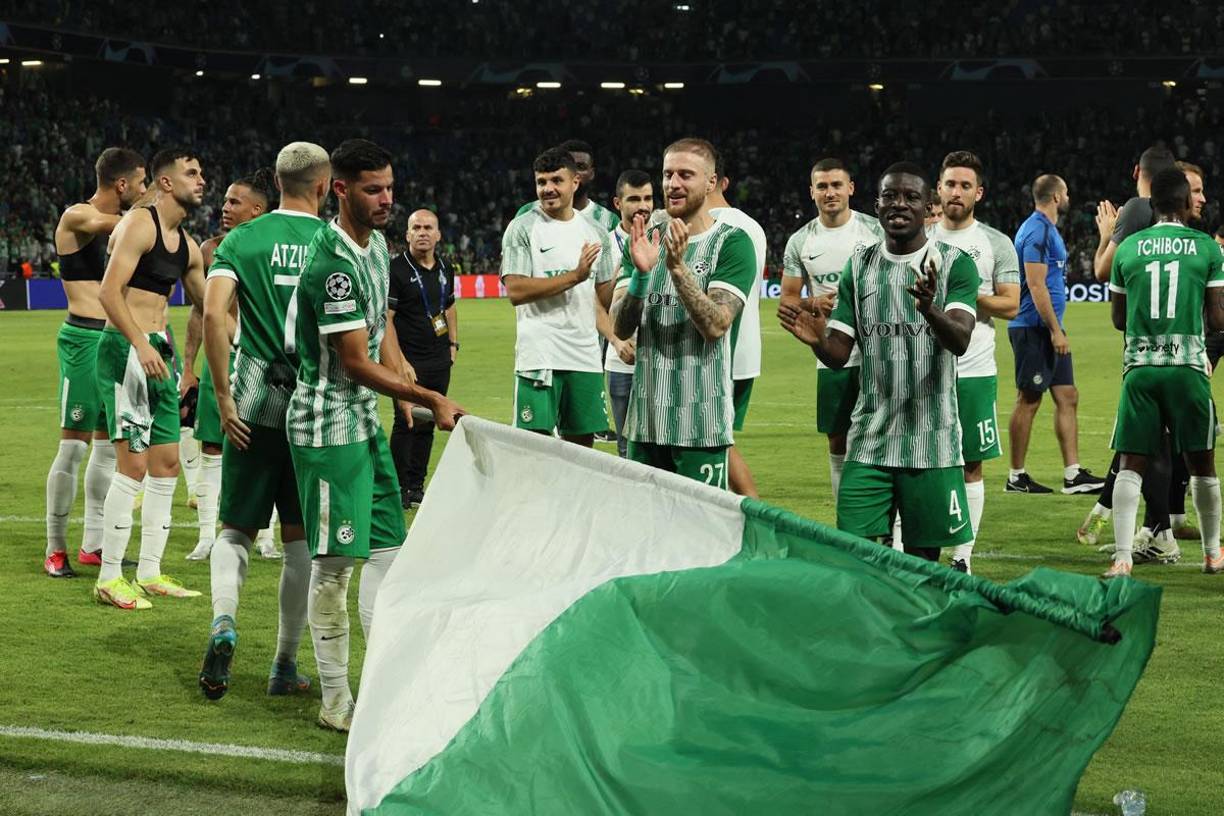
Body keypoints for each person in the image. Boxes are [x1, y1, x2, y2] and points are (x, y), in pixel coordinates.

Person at [287, 139, 465, 731]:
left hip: (363, 420)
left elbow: (378, 330)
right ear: (339, 189)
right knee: (336, 567)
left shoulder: (378, 248)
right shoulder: (330, 263)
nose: (386, 198)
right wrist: (425, 396)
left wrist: (404, 368)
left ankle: (385, 679)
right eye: (372, 189)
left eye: (389, 186)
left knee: (390, 553)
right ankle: (336, 699)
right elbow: (353, 363)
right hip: (328, 428)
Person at [779, 162, 978, 560]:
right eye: (890, 196)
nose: (899, 204)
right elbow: (839, 354)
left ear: (929, 206)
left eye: (911, 197)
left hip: (931, 442)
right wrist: (817, 341)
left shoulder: (956, 263)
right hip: (870, 440)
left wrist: (929, 309)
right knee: (856, 552)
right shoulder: (861, 265)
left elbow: (959, 340)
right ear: (878, 204)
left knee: (923, 560)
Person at [196, 143, 331, 702]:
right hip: (312, 408)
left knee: (235, 530)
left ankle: (224, 621)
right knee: (300, 545)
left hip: (252, 403)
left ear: (276, 182)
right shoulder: (334, 241)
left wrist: (224, 399)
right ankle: (283, 665)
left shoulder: (242, 241)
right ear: (324, 187)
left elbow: (211, 311)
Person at [93, 148, 207, 609]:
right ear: (164, 182)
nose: (201, 180)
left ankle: (151, 571)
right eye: (191, 173)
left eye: (201, 173)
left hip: (161, 352)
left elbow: (210, 307)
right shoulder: (142, 225)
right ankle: (108, 577)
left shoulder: (190, 245)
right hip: (125, 350)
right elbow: (108, 291)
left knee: (166, 466)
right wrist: (140, 343)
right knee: (133, 468)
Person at [611, 137, 756, 487]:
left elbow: (716, 325)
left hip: (701, 425)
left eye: (685, 175)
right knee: (646, 532)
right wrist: (641, 278)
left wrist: (677, 270)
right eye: (667, 174)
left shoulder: (733, 242)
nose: (673, 184)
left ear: (711, 182)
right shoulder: (645, 238)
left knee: (702, 534)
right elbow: (620, 325)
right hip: (645, 423)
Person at [1102, 166, 1224, 578]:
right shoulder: (1207, 248)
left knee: (1131, 463)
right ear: (1186, 203)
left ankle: (1122, 557)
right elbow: (1219, 318)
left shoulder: (1130, 248)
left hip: (1141, 369)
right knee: (1202, 464)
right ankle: (1212, 554)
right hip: (1187, 368)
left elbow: (1118, 319)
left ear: (1152, 205)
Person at [1079, 146, 1188, 558]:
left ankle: (1161, 534)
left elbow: (1104, 271)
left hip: (1143, 345)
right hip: (1177, 344)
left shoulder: (1134, 208)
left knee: (1147, 440)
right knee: (1156, 440)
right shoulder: (1176, 222)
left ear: (1135, 171)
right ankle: (1157, 529)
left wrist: (1107, 233)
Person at [44, 147, 147, 578]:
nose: (144, 191)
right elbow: (113, 224)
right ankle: (55, 548)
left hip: (113, 341)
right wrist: (153, 212)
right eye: (141, 183)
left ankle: (94, 544)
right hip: (83, 340)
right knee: (73, 447)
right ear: (121, 184)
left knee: (107, 449)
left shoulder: (127, 227)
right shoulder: (76, 216)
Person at [931, 151, 1021, 573]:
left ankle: (962, 555)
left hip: (974, 369)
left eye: (965, 185)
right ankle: (900, 545)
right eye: (950, 184)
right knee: (914, 457)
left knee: (971, 461)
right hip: (923, 369)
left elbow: (1012, 305)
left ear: (978, 193)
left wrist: (964, 292)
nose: (956, 191)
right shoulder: (920, 238)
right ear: (938, 188)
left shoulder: (995, 243)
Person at [182, 169, 277, 562]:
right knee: (211, 446)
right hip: (220, 356)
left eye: (234, 202)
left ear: (257, 209)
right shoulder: (209, 249)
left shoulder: (274, 247)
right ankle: (207, 535)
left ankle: (267, 535)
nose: (224, 208)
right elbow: (199, 311)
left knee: (268, 445)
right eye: (224, 201)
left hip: (261, 359)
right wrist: (189, 366)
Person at [780, 158, 883, 503]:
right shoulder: (800, 241)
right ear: (812, 192)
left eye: (837, 185)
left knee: (883, 435)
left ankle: (891, 526)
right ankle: (846, 520)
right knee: (838, 439)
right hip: (831, 355)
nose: (830, 192)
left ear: (850, 188)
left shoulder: (875, 231)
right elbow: (789, 300)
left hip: (878, 352)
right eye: (822, 186)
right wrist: (816, 303)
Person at [501, 147, 616, 446]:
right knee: (533, 448)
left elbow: (603, 297)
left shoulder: (596, 232)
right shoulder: (523, 227)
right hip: (540, 356)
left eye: (556, 180)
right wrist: (574, 277)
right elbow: (516, 290)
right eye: (541, 182)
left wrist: (631, 265)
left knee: (582, 451)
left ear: (574, 182)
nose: (547, 189)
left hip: (585, 356)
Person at [1005, 174, 1105, 495]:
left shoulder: (1047, 229)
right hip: (1034, 328)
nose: (1069, 196)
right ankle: (1016, 476)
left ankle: (1073, 475)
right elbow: (1035, 285)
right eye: (1067, 192)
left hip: (1049, 329)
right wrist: (1054, 330)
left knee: (1067, 396)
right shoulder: (1036, 230)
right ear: (1057, 197)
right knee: (1029, 399)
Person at [388, 209, 458, 508]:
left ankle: (416, 486)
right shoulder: (396, 269)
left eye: (428, 227)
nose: (422, 232)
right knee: (406, 423)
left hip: (439, 359)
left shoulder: (445, 267)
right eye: (416, 227)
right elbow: (386, 319)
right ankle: (398, 488)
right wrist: (399, 361)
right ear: (407, 235)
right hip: (409, 362)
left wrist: (453, 343)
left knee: (430, 422)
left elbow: (450, 306)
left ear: (438, 234)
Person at [706, 155, 766, 499]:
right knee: (721, 441)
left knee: (711, 442)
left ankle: (753, 516)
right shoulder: (752, 226)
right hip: (746, 353)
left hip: (719, 352)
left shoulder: (712, 226)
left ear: (713, 181)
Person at [602, 170, 653, 458]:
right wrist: (617, 341)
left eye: (647, 198)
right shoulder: (603, 244)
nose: (642, 205)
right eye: (634, 199)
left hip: (658, 362)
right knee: (625, 449)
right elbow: (597, 303)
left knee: (658, 447)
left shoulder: (664, 236)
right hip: (620, 361)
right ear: (617, 203)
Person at [515, 139, 619, 231]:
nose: (574, 172)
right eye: (570, 166)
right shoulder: (527, 213)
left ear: (591, 173)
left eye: (581, 166)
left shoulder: (608, 221)